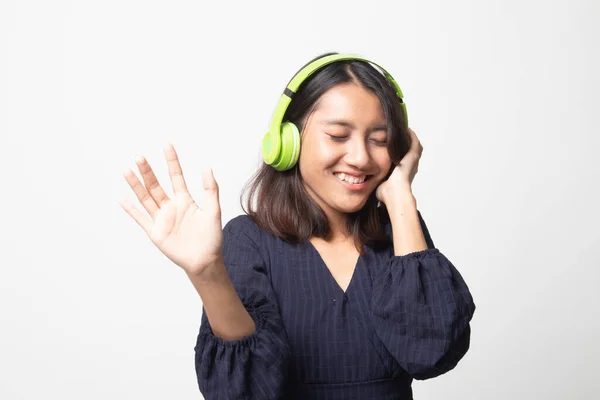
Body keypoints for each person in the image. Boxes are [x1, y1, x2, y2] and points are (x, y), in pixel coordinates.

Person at [120, 53, 476, 399]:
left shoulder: (400, 234)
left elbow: (432, 353)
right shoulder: (248, 241)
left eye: (380, 141)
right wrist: (207, 275)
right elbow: (245, 392)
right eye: (338, 135)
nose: (361, 157)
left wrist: (400, 196)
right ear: (287, 142)